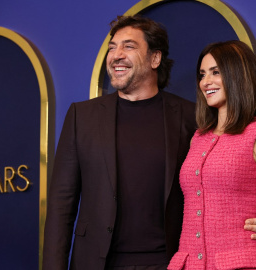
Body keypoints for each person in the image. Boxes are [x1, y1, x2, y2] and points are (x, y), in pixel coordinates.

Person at [42, 15, 197, 270]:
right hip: (97, 263)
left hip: (168, 263)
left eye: (129, 46)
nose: (116, 55)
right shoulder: (82, 116)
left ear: (155, 58)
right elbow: (61, 205)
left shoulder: (191, 117)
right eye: (112, 47)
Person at [168, 40, 256, 270]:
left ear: (238, 75)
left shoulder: (253, 133)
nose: (206, 82)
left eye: (216, 72)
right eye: (202, 74)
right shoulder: (198, 138)